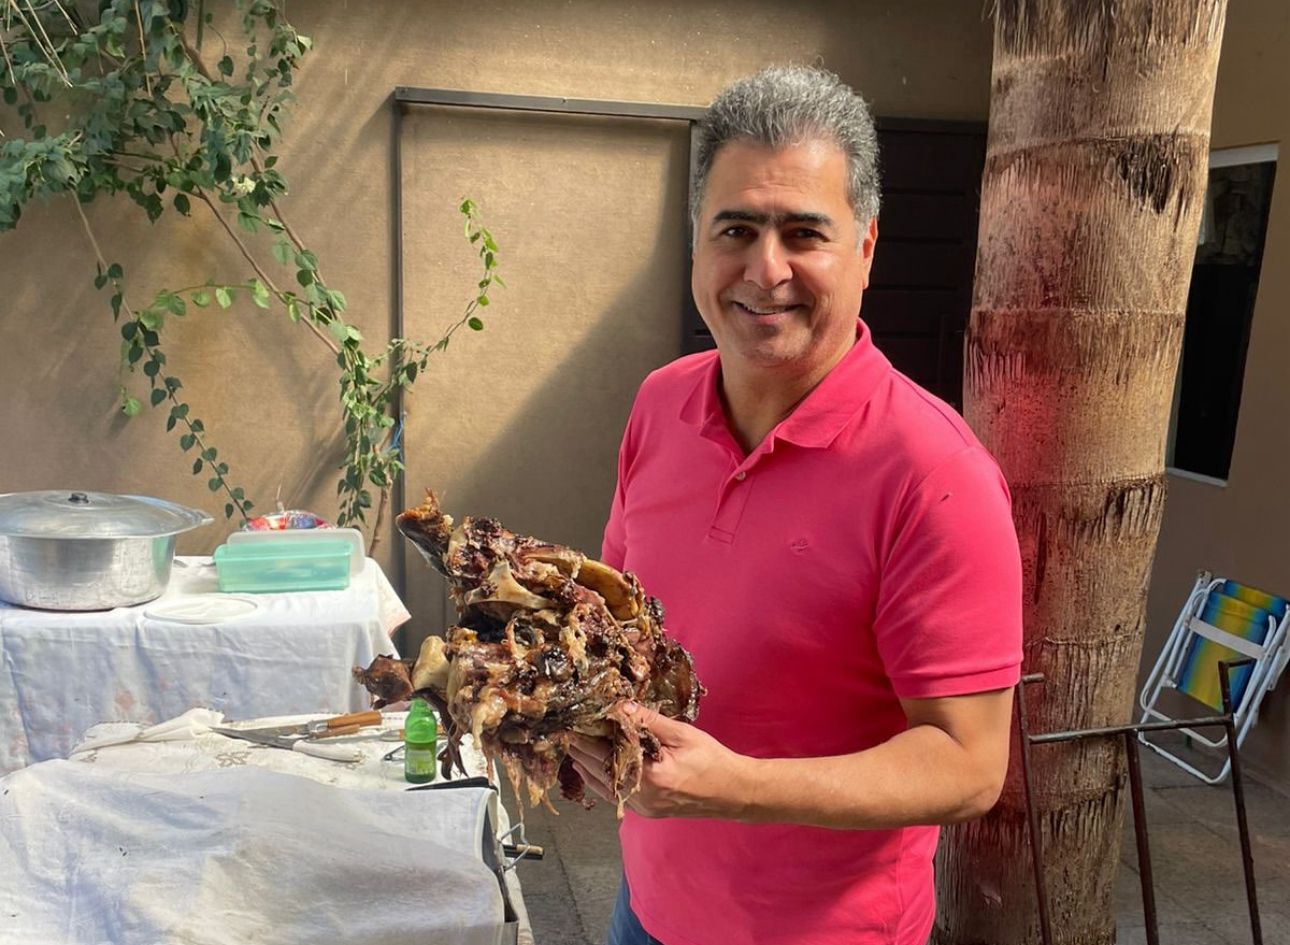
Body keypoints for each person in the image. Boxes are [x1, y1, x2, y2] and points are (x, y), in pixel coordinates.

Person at [567, 65, 1023, 945]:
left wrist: (733, 786)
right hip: (646, 907)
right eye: (735, 229)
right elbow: (619, 618)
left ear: (866, 247)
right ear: (696, 243)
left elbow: (969, 764)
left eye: (804, 232)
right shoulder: (660, 402)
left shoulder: (936, 474)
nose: (765, 268)